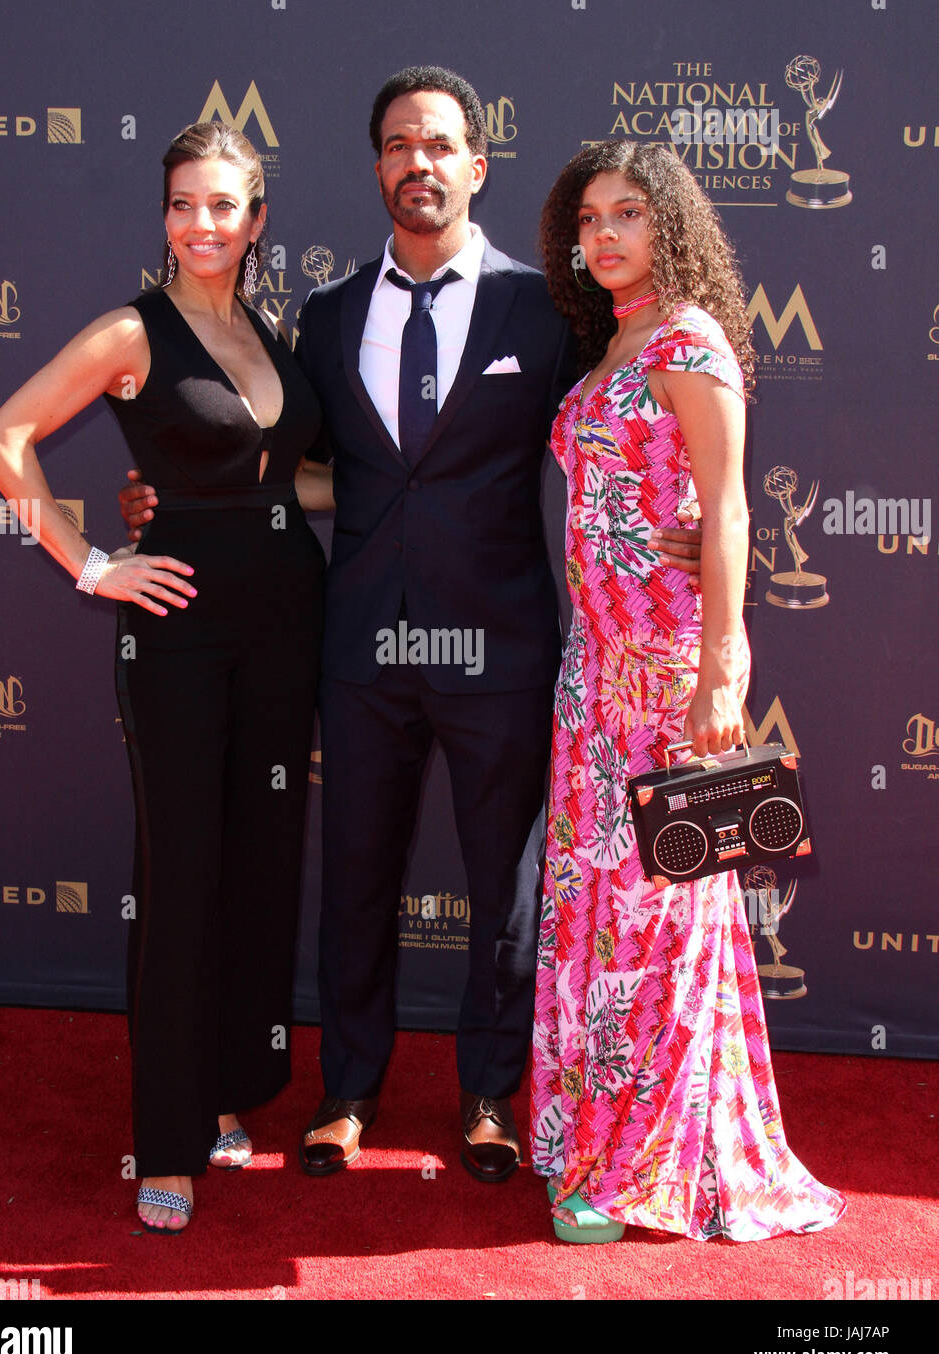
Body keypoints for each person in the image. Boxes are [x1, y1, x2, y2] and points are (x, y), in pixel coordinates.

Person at [121, 70, 701, 1182]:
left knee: (504, 885)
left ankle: (488, 1092)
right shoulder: (328, 315)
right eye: (398, 145)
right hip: (360, 649)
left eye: (440, 144)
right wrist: (159, 501)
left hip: (499, 646)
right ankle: (348, 1089)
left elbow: (632, 412)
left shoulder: (549, 308)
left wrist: (692, 522)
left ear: (478, 166)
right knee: (355, 875)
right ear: (377, 167)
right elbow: (284, 465)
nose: (418, 163)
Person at [0, 121, 331, 1232]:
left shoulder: (274, 331)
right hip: (176, 634)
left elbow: (293, 482)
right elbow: (3, 438)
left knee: (260, 866)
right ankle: (166, 1142)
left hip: (286, 622)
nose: (202, 223)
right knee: (178, 879)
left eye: (224, 204)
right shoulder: (132, 330)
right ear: (164, 217)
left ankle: (229, 1089)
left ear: (257, 218)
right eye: (182, 203)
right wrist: (93, 565)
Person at [529, 141, 846, 1241]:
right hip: (593, 673)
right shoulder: (614, 337)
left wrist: (722, 670)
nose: (605, 234)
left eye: (629, 213)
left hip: (665, 674)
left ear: (671, 226)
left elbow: (729, 508)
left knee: (652, 916)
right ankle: (598, 1135)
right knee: (600, 906)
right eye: (589, 219)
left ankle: (629, 1167)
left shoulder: (686, 338)